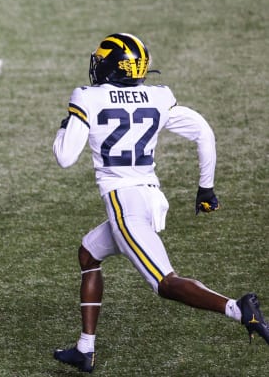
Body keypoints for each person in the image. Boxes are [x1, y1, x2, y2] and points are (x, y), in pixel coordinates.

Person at [51, 33, 268, 372]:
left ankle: (239, 309)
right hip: (152, 198)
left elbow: (64, 157)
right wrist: (205, 190)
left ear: (110, 66)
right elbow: (203, 131)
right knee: (88, 253)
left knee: (164, 283)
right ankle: (85, 349)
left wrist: (66, 127)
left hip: (124, 201)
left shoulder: (88, 97)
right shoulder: (159, 96)